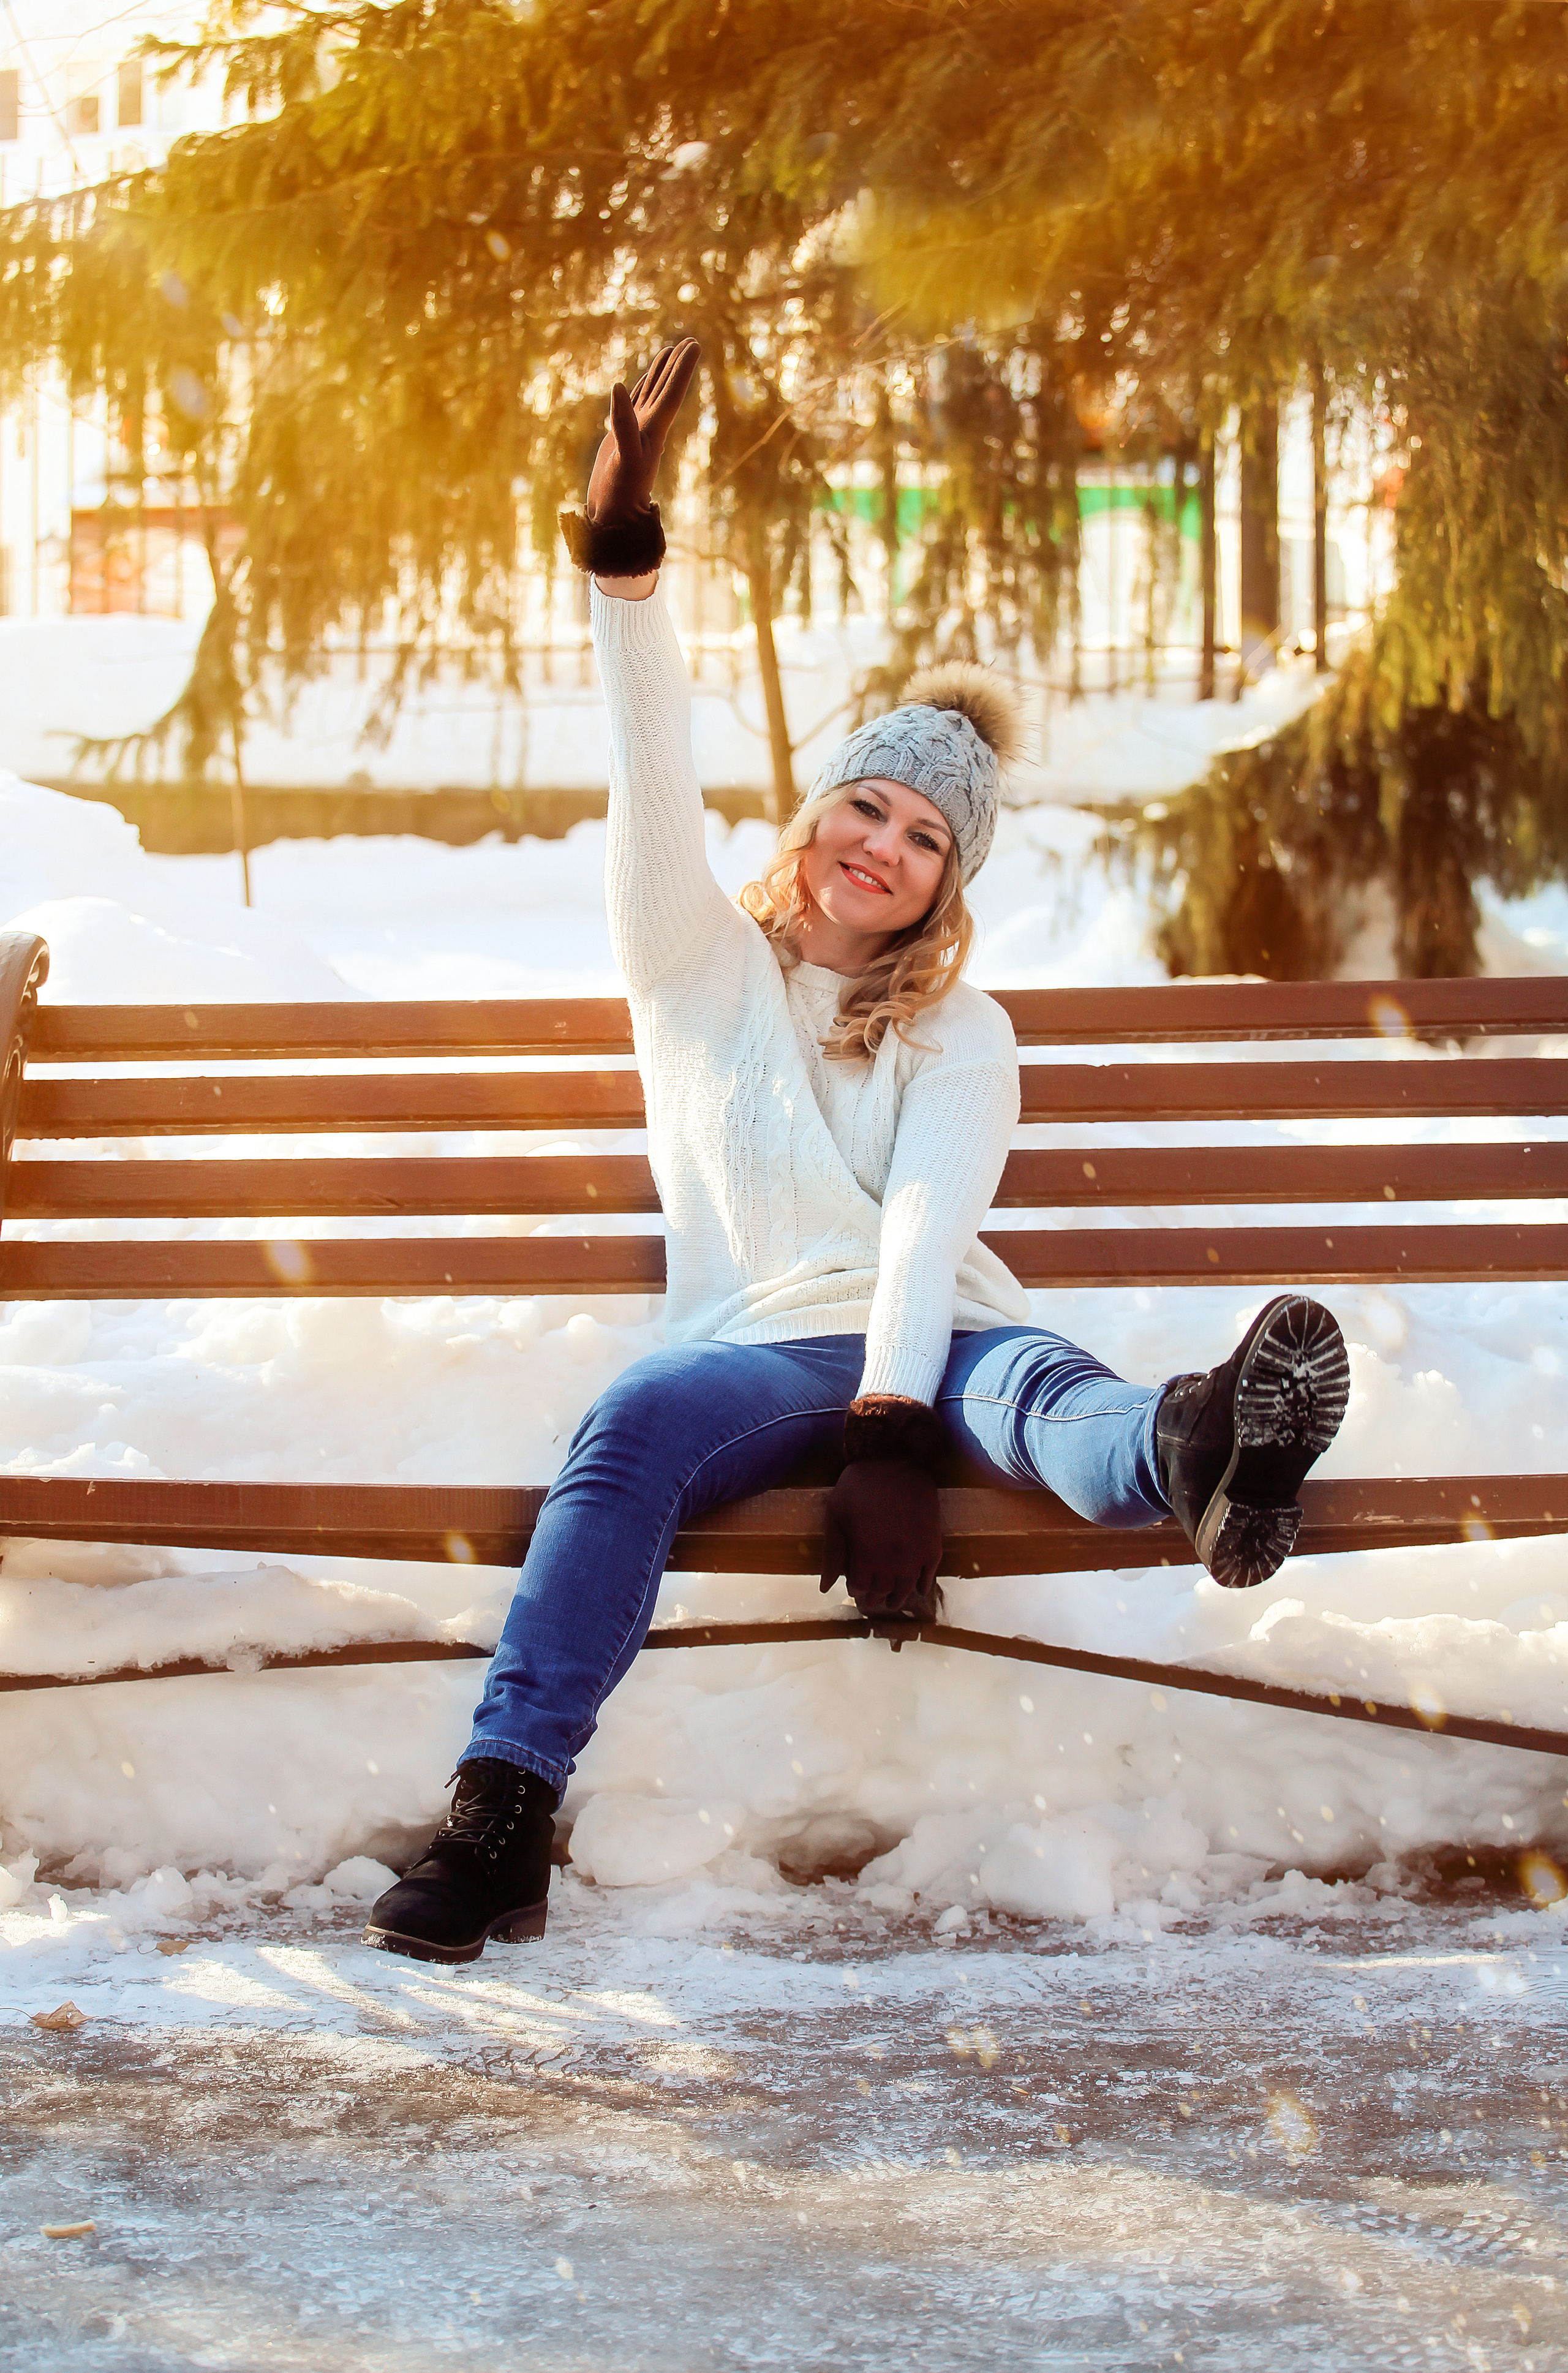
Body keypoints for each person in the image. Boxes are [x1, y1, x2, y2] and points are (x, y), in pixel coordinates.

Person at [364, 341, 1350, 1966]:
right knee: (624, 1429)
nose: (881, 849)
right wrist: (624, 555)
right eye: (868, 806)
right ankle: (500, 1812)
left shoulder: (959, 1031)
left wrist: (896, 1424)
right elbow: (650, 755)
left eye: (923, 839)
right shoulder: (696, 962)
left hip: (939, 1330)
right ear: (818, 808)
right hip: (754, 1349)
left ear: (948, 885)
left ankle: (1202, 1448)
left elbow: (924, 1234)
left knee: (1052, 1394)